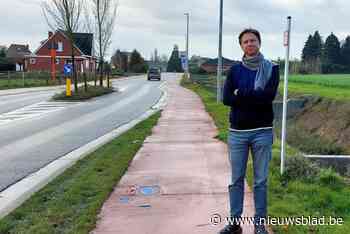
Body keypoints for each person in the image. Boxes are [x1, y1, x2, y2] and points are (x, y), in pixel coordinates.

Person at [219, 28, 280, 234]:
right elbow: (227, 99)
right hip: (237, 133)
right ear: (241, 46)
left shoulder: (272, 68)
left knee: (261, 181)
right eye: (245, 42)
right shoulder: (234, 70)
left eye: (253, 40)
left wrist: (241, 94)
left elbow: (268, 97)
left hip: (262, 131)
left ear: (259, 43)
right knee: (236, 180)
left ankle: (259, 225)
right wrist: (254, 94)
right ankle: (235, 224)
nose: (250, 44)